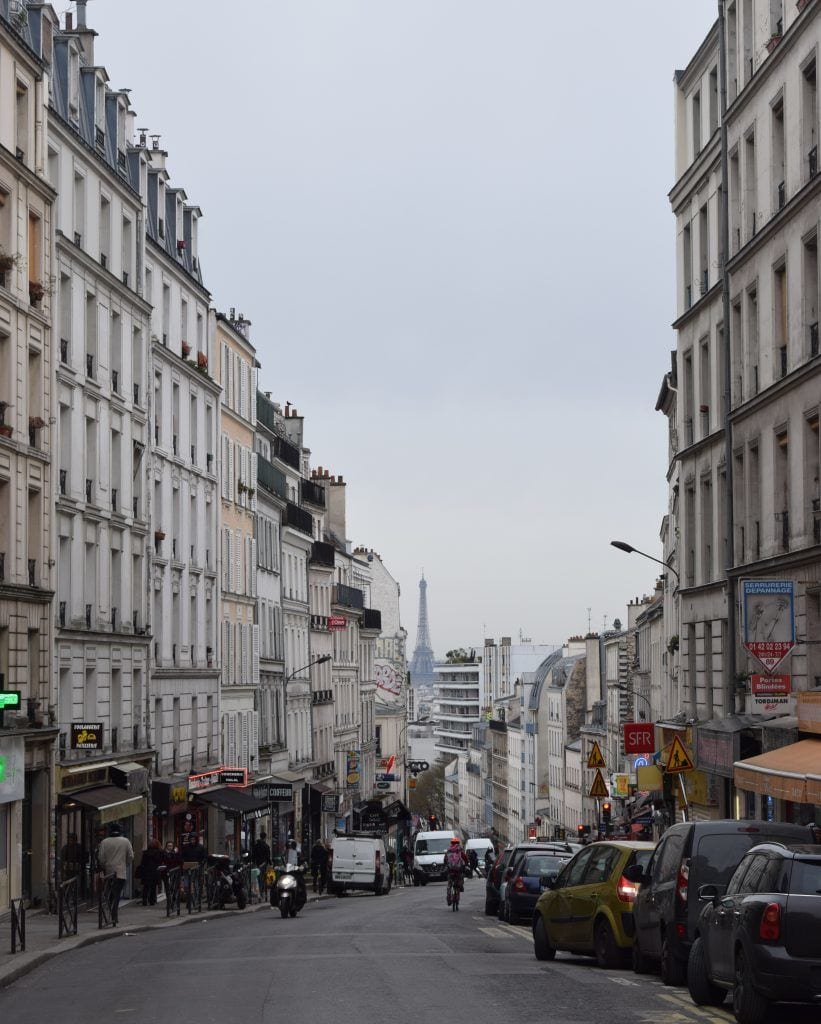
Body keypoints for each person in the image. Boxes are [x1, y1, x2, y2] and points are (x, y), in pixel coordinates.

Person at [96, 823, 134, 925]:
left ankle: (112, 914)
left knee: (110, 893)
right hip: (121, 871)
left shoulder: (104, 842)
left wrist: (106, 865)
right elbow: (131, 856)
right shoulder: (125, 841)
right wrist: (125, 863)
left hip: (109, 871)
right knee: (117, 893)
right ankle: (114, 915)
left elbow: (101, 858)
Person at [445, 836, 468, 907]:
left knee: (449, 885)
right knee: (461, 879)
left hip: (451, 871)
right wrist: (466, 864)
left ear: (451, 843)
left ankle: (449, 898)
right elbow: (466, 860)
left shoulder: (448, 851)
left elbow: (445, 860)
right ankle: (460, 887)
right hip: (458, 871)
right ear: (458, 843)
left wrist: (446, 865)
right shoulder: (460, 851)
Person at [252, 831, 271, 896]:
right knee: (262, 878)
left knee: (256, 878)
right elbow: (268, 856)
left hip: (256, 864)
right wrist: (270, 864)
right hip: (263, 864)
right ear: (265, 837)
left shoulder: (256, 845)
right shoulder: (266, 846)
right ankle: (261, 891)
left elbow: (253, 855)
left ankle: (256, 891)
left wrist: (253, 862)